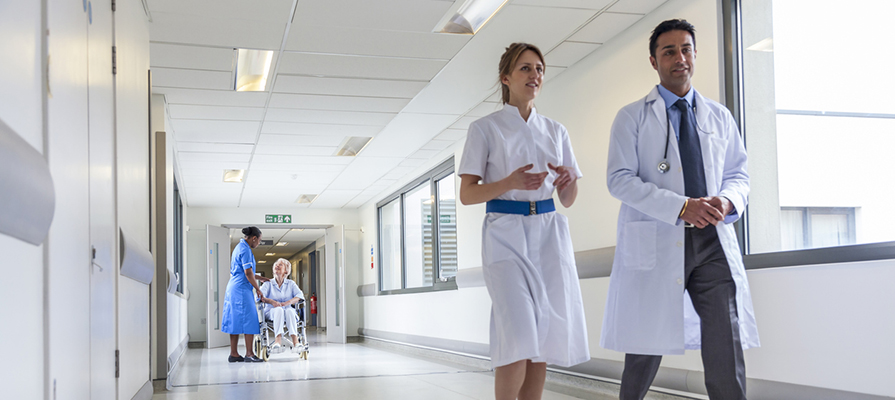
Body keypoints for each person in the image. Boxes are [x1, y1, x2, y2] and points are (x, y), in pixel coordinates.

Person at [602, 19, 759, 399]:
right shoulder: (632, 116)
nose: (679, 58)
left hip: (712, 243)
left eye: (686, 49)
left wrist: (727, 199)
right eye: (669, 51)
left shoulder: (719, 116)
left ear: (694, 55)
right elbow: (619, 179)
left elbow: (739, 174)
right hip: (658, 239)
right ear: (654, 61)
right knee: (644, 345)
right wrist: (681, 207)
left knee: (725, 340)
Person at [458, 42, 590, 400]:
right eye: (525, 69)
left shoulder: (556, 130)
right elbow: (468, 194)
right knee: (517, 334)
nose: (535, 75)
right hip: (505, 234)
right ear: (506, 78)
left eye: (539, 69)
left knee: (543, 335)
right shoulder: (485, 129)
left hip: (548, 234)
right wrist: (508, 183)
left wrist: (568, 182)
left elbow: (567, 199)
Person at [221, 226, 270, 362]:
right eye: (259, 241)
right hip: (241, 289)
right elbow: (248, 273)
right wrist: (258, 289)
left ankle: (234, 354)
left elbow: (245, 271)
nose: (258, 244)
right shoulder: (246, 250)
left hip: (234, 287)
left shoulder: (239, 247)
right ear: (253, 238)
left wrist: (261, 279)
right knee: (250, 319)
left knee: (235, 320)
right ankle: (249, 354)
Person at [259, 258, 304, 354]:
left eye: (280, 265)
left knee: (290, 311)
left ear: (286, 271)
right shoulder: (268, 284)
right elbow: (259, 296)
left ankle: (295, 341)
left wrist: (287, 303)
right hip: (271, 312)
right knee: (279, 310)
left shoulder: (291, 284)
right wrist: (271, 302)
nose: (277, 266)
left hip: (287, 311)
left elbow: (300, 296)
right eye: (276, 265)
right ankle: (277, 340)